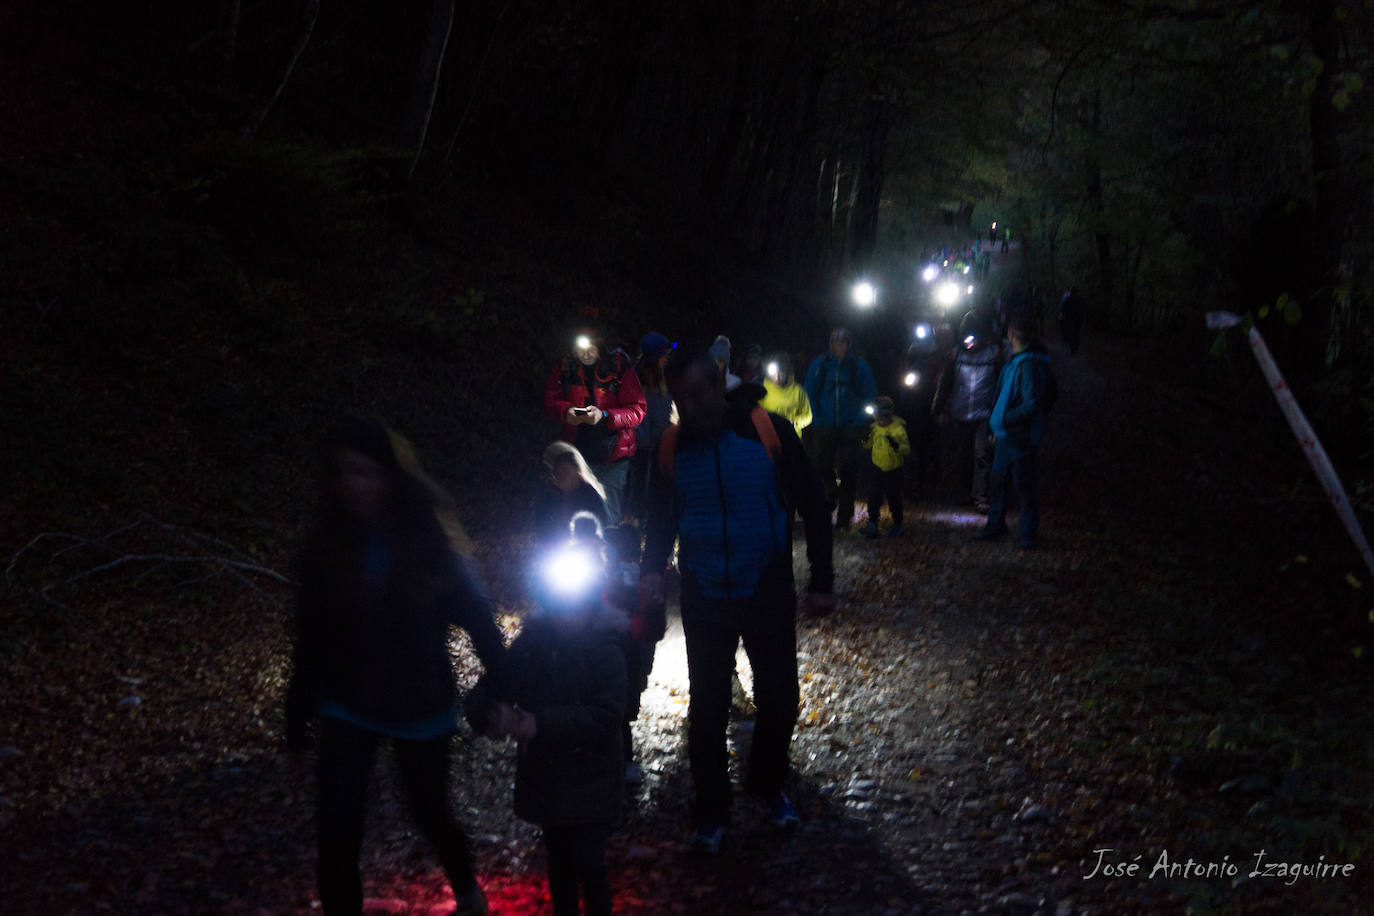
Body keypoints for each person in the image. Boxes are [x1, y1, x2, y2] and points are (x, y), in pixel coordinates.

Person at [285, 417, 506, 916]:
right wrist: (297, 713)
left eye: (366, 473)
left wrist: (506, 686)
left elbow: (480, 622)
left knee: (428, 810)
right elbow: (310, 635)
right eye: (345, 474)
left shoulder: (429, 547)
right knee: (337, 826)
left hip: (418, 703)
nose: (355, 486)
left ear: (389, 477)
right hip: (348, 702)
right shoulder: (327, 548)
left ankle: (466, 887)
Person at [642, 341, 835, 855]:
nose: (690, 407)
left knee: (779, 699)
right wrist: (650, 569)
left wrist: (822, 579)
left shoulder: (768, 429)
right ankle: (711, 810)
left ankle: (766, 785)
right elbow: (658, 515)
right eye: (679, 398)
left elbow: (815, 501)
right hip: (705, 592)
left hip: (766, 586)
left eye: (697, 393)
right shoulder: (671, 446)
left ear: (719, 382)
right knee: (707, 707)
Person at [467, 514, 627, 916]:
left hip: (592, 780)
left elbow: (608, 714)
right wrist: (489, 712)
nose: (565, 614)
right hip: (550, 779)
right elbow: (496, 682)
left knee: (589, 862)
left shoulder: (605, 645)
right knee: (558, 861)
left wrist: (541, 724)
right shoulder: (534, 644)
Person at [543, 322, 647, 525]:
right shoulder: (566, 367)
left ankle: (610, 554)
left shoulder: (618, 367)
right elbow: (549, 401)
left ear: (600, 347)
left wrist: (605, 416)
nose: (586, 355)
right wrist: (566, 411)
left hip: (613, 458)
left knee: (608, 517)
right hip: (578, 458)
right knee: (577, 515)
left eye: (591, 349)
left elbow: (637, 410)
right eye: (580, 350)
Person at [975, 318, 1051, 548]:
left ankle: (1027, 533)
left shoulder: (1027, 364)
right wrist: (994, 426)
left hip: (1020, 437)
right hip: (1005, 436)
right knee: (999, 482)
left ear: (1011, 333)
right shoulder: (1014, 362)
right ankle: (996, 524)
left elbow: (1031, 403)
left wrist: (1005, 420)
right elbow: (1001, 397)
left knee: (1023, 484)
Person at [802, 327, 877, 530]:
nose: (839, 346)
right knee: (819, 464)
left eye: (843, 342)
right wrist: (816, 419)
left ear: (849, 344)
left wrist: (859, 419)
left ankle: (844, 517)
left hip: (850, 425)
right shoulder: (820, 365)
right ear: (830, 343)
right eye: (836, 342)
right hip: (824, 424)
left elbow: (870, 393)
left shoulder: (858, 367)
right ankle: (830, 491)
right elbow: (809, 393)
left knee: (848, 469)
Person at [932, 311, 1002, 512]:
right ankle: (963, 493)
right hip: (960, 415)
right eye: (965, 337)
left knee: (982, 455)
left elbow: (1001, 384)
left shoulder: (993, 355)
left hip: (984, 415)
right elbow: (945, 384)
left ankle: (981, 496)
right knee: (962, 456)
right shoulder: (956, 355)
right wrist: (938, 409)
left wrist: (999, 414)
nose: (969, 342)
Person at [625, 331, 677, 526]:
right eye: (664, 355)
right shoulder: (634, 378)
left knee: (654, 483)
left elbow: (666, 410)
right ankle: (632, 519)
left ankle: (648, 518)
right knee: (635, 483)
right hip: (637, 444)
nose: (666, 359)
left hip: (658, 443)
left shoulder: (666, 379)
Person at [533, 441, 609, 549]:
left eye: (565, 471)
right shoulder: (551, 499)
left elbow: (600, 527)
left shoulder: (590, 497)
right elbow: (544, 529)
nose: (561, 476)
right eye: (557, 473)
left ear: (577, 470)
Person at [860, 396, 910, 537]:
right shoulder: (874, 428)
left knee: (894, 496)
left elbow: (906, 450)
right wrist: (865, 438)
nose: (879, 422)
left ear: (888, 416)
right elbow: (868, 446)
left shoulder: (898, 430)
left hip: (894, 470)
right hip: (877, 467)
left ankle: (898, 524)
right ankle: (872, 523)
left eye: (881, 419)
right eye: (877, 418)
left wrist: (896, 446)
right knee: (874, 495)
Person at [760, 353, 813, 437]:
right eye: (774, 372)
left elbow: (808, 416)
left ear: (787, 371)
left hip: (792, 438)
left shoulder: (798, 391)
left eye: (782, 371)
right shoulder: (762, 391)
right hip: (769, 438)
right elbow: (756, 415)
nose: (777, 376)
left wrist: (795, 422)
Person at [1059, 287, 1087, 355]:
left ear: (1071, 292)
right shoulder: (1081, 299)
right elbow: (1085, 308)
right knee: (1077, 332)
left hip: (1070, 319)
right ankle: (1076, 348)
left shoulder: (1068, 299)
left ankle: (1072, 349)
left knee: (1071, 332)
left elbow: (1063, 309)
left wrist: (1063, 315)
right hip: (1079, 319)